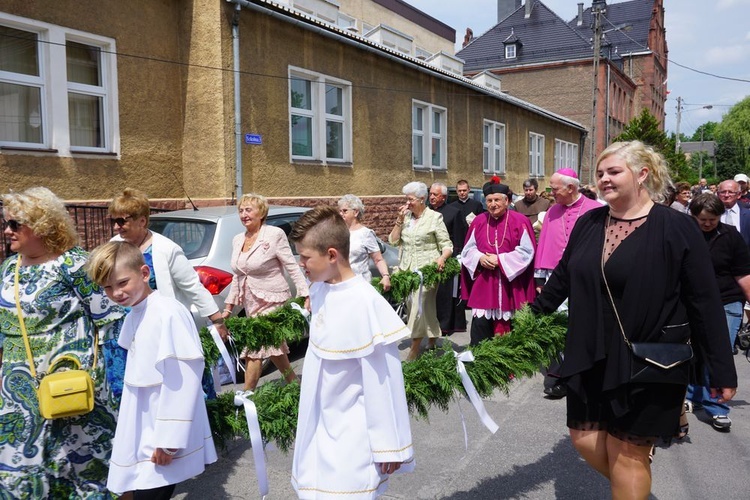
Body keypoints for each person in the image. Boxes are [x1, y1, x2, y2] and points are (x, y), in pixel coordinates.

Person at [532, 141, 737, 498]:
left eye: (614, 172)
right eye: (599, 173)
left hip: (649, 360)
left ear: (642, 174)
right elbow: (561, 280)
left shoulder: (677, 227)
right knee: (585, 439)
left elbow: (704, 302)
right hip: (590, 353)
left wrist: (720, 370)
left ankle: (633, 480)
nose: (604, 179)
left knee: (628, 454)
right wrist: (525, 326)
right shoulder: (589, 222)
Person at [0, 187, 125, 497]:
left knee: (85, 472)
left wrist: (116, 383)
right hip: (19, 397)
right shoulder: (8, 269)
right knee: (22, 476)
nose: (6, 231)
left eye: (15, 224)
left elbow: (112, 323)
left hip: (74, 389)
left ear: (41, 225)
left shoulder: (75, 265)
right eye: (6, 223)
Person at [289, 206, 414, 498]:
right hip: (319, 423)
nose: (301, 264)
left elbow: (383, 380)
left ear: (332, 255)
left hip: (353, 433)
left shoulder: (365, 302)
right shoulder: (320, 289)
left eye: (306, 257)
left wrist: (388, 444)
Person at [87, 241, 217, 499]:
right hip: (143, 422)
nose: (116, 293)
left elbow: (183, 380)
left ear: (144, 274)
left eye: (122, 282)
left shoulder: (169, 313)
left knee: (152, 491)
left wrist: (169, 440)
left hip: (161, 426)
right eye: (108, 287)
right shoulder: (135, 311)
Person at [109, 188, 228, 400]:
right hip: (128, 329)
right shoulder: (113, 246)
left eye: (122, 221)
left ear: (142, 221)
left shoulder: (166, 249)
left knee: (172, 386)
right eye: (114, 221)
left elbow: (193, 286)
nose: (117, 227)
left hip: (163, 328)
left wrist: (217, 321)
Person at [223, 193, 309, 390]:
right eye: (241, 210)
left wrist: (305, 294)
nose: (244, 214)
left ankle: (246, 396)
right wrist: (228, 308)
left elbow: (291, 265)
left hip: (273, 299)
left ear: (261, 212)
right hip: (251, 302)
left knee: (255, 344)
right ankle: (294, 384)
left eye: (248, 210)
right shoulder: (237, 239)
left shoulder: (274, 234)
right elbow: (238, 275)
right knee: (273, 348)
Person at [686, 193, 750, 431]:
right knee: (691, 351)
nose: (707, 223)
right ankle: (691, 395)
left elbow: (743, 273)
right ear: (693, 216)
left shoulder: (730, 237)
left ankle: (717, 407)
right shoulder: (685, 235)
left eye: (712, 219)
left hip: (726, 300)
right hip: (691, 302)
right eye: (703, 219)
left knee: (718, 351)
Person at [534, 168, 601, 398]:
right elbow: (544, 244)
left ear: (570, 187)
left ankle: (583, 372)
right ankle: (556, 374)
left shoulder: (597, 210)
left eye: (554, 189)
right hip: (556, 276)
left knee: (583, 324)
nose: (551, 193)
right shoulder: (552, 211)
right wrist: (541, 279)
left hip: (587, 277)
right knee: (556, 324)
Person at [460, 179, 536, 345]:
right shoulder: (479, 221)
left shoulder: (520, 221)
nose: (493, 204)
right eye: (489, 200)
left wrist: (500, 259)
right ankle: (479, 368)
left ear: (507, 201)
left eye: (497, 200)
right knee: (480, 334)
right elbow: (467, 250)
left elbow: (527, 251)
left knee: (508, 338)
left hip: (511, 287)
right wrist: (480, 257)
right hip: (484, 286)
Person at [389, 182, 452, 360]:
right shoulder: (406, 217)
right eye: (406, 199)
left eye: (410, 199)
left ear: (422, 199)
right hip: (407, 270)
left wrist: (442, 258)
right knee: (422, 307)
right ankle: (432, 336)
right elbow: (393, 241)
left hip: (428, 270)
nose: (407, 203)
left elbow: (447, 245)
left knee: (418, 306)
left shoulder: (434, 217)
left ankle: (414, 348)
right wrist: (399, 220)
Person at [429, 182, 467, 335]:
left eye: (435, 194)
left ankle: (445, 325)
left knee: (444, 294)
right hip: (429, 257)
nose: (431, 197)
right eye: (430, 194)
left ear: (443, 197)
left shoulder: (453, 212)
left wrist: (456, 259)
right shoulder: (425, 212)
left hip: (447, 256)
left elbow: (459, 237)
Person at [337, 194, 391, 291]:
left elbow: (378, 259)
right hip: (341, 284)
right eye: (340, 211)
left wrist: (385, 276)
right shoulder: (338, 232)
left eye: (345, 211)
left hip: (360, 285)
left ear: (356, 212)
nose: (341, 214)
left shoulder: (365, 234)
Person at [717, 179, 750, 246]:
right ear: (718, 194)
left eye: (731, 192)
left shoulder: (748, 215)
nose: (726, 195)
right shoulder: (712, 213)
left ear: (739, 194)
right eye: (723, 192)